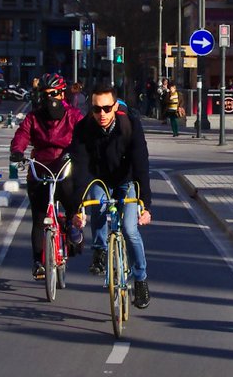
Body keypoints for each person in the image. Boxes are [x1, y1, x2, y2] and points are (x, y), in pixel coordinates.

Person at [70, 84, 153, 309]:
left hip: (126, 179)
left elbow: (141, 164)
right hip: (100, 178)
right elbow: (79, 170)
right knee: (97, 203)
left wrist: (146, 205)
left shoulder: (130, 125)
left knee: (129, 229)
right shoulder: (83, 128)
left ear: (115, 106)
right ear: (91, 108)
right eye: (97, 109)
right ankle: (99, 249)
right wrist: (77, 209)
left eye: (107, 108)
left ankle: (141, 280)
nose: (102, 114)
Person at [10, 73, 82, 279]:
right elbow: (22, 135)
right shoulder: (34, 116)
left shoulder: (74, 115)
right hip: (41, 165)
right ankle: (37, 262)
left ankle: (71, 222)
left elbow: (85, 135)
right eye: (45, 94)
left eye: (53, 94)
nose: (49, 99)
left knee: (71, 196)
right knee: (39, 218)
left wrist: (82, 153)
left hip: (65, 164)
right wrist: (17, 151)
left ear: (62, 94)